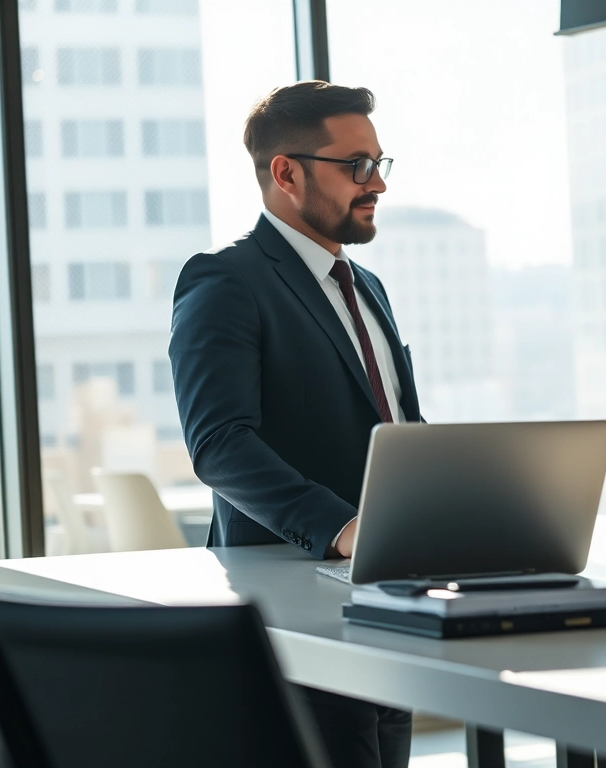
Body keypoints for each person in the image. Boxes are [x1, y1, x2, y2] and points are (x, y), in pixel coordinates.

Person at [169, 81, 418, 768]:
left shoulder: (368, 287)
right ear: (287, 172)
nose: (377, 185)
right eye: (356, 166)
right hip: (291, 612)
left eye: (379, 164)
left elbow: (394, 424)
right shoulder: (226, 282)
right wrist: (341, 527)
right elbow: (219, 444)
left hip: (388, 603)